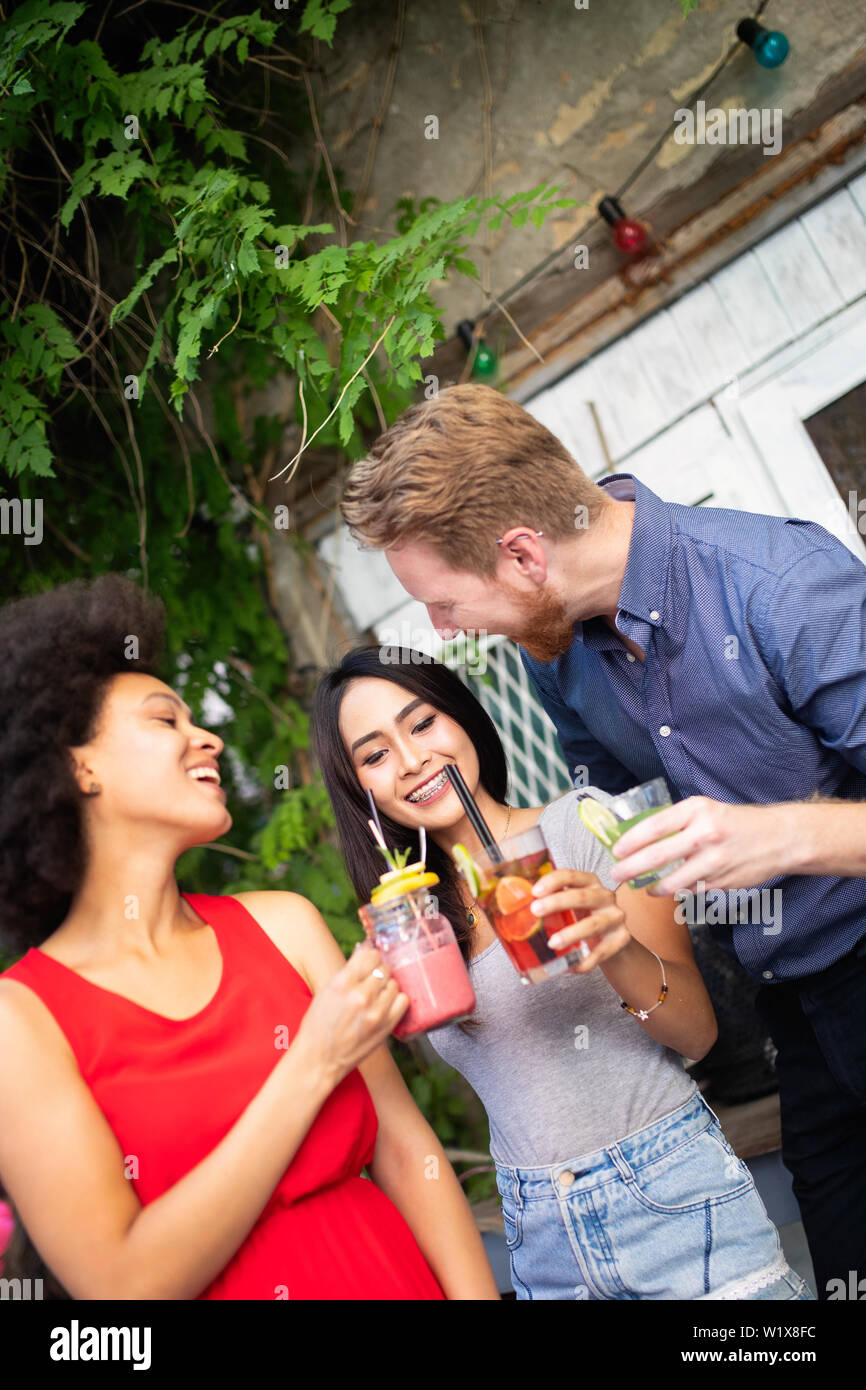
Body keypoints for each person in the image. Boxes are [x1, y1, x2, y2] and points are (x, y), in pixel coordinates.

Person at [338, 381, 866, 1299]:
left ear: (522, 553)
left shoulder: (777, 585)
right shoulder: (558, 661)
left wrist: (785, 834)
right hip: (794, 1007)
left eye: (443, 601)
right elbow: (628, 851)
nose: (442, 632)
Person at [0, 575, 499, 1301]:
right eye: (165, 720)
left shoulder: (283, 924)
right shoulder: (21, 1021)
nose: (208, 737)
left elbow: (406, 1151)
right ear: (80, 766)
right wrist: (312, 1061)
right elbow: (123, 1287)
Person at [314, 645, 813, 1300]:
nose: (411, 761)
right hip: (539, 1234)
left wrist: (616, 946)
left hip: (670, 1194)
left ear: (463, 718)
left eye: (423, 723)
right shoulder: (413, 920)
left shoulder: (586, 822)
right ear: (359, 788)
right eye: (375, 754)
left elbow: (697, 1034)